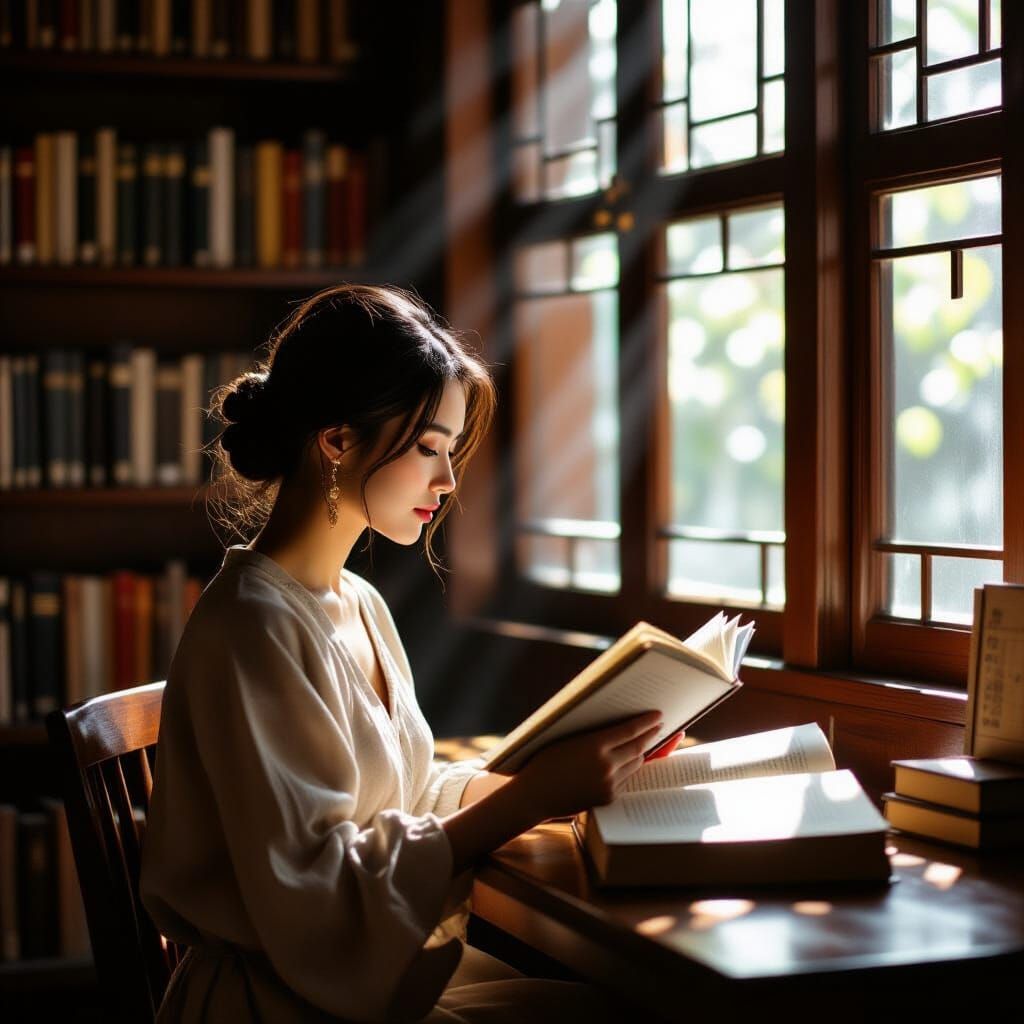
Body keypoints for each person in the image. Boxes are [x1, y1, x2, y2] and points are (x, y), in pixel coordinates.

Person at [139, 284, 664, 1023]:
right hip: (278, 1002)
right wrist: (529, 798)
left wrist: (558, 772)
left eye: (449, 452)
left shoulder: (358, 602)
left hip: (340, 981)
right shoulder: (251, 628)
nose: (447, 483)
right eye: (427, 448)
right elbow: (316, 894)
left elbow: (399, 801)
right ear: (337, 439)